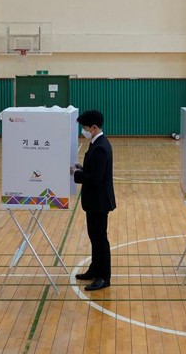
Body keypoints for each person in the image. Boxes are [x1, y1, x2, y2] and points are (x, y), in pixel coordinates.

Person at [71, 110, 116, 291]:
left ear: (94, 127)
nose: (84, 130)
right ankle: (94, 269)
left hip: (99, 202)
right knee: (94, 237)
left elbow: (95, 179)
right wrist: (82, 168)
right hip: (94, 201)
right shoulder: (97, 144)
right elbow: (93, 170)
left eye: (85, 127)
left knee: (100, 239)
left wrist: (77, 174)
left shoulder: (100, 148)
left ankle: (103, 277)